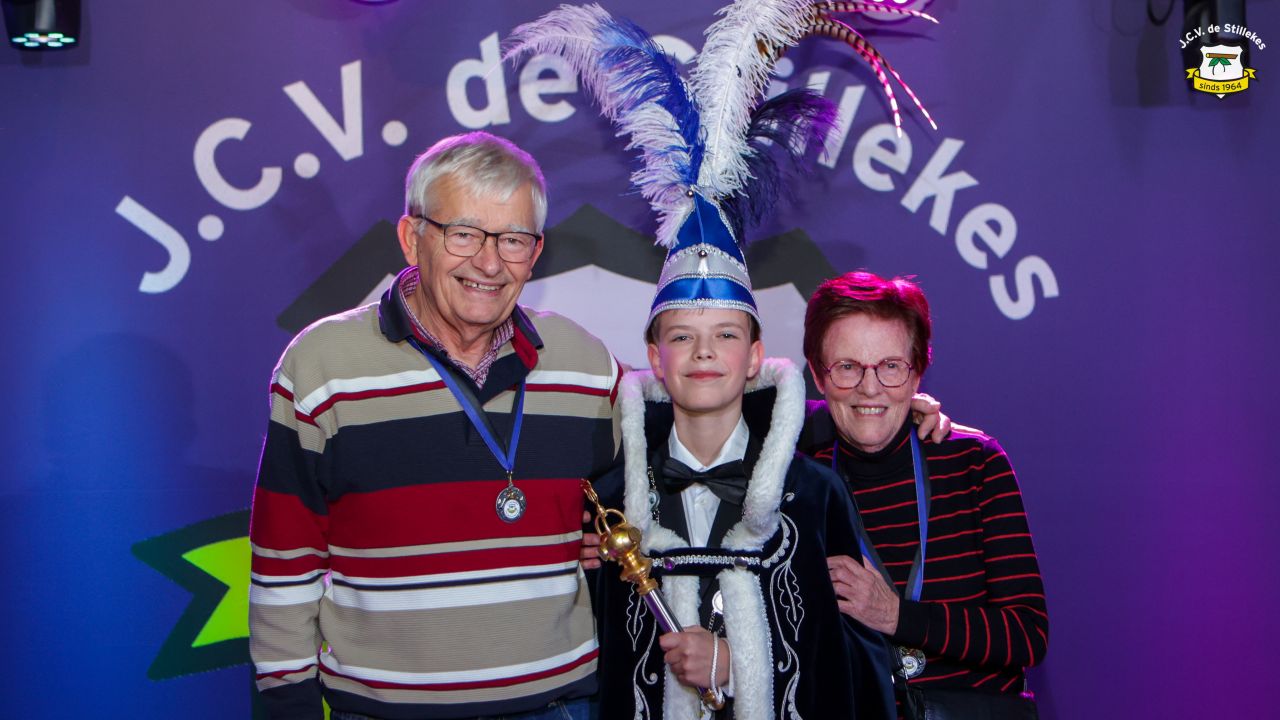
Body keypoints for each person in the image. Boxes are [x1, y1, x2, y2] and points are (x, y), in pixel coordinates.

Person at [248, 131, 621, 720]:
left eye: (513, 239)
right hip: (384, 710)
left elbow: (649, 496)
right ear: (411, 238)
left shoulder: (587, 364)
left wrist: (609, 534)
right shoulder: (321, 365)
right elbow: (284, 559)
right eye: (463, 233)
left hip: (556, 706)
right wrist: (288, 700)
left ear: (536, 252)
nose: (489, 263)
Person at [590, 197, 897, 720]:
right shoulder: (613, 504)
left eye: (726, 335)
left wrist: (738, 665)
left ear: (755, 356)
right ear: (655, 358)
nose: (703, 352)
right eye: (682, 336)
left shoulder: (813, 496)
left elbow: (855, 664)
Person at [799, 271, 1048, 717]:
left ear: (917, 372)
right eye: (847, 367)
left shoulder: (975, 462)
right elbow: (712, 404)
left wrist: (897, 616)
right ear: (819, 374)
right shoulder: (804, 479)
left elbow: (1027, 633)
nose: (870, 387)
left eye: (891, 366)